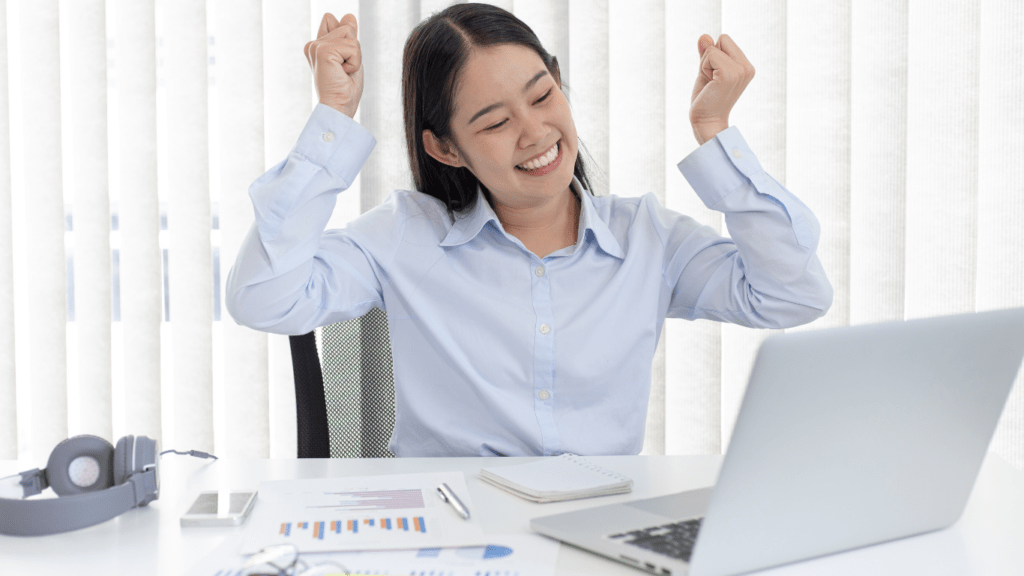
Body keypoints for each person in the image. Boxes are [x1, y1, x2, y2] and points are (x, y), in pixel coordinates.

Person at [225, 4, 833, 457]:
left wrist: (714, 130)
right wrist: (333, 120)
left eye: (542, 96)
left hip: (596, 533)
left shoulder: (647, 238)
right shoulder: (406, 236)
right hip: (452, 537)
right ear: (445, 149)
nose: (536, 132)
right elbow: (262, 298)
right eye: (494, 123)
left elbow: (792, 294)